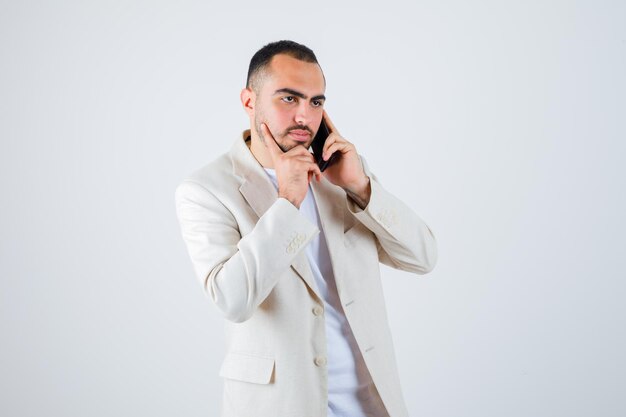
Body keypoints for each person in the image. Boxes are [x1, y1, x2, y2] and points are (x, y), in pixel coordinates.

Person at [175, 40, 438, 417]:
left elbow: (423, 258)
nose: (305, 116)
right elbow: (232, 300)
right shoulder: (207, 189)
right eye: (288, 99)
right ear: (250, 101)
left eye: (316, 102)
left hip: (370, 404)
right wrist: (287, 202)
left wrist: (362, 188)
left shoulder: (342, 172)